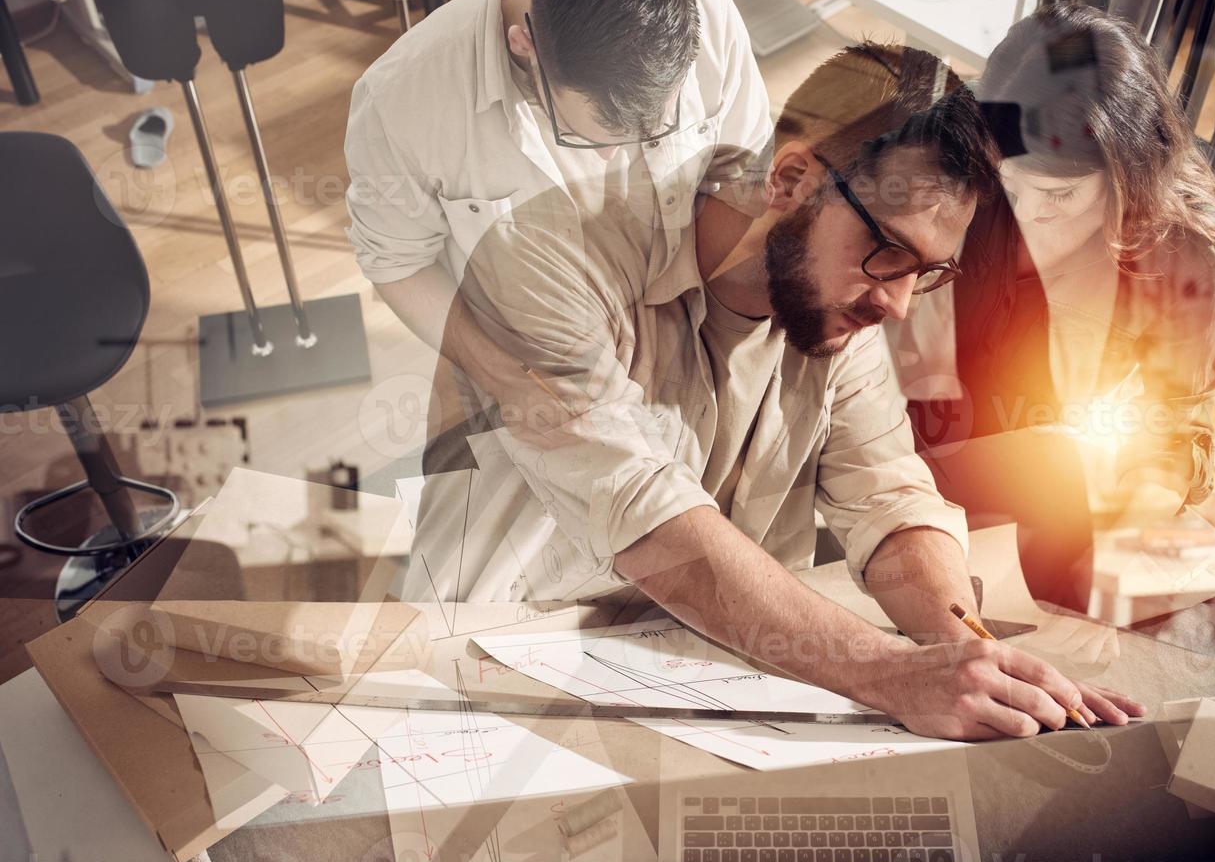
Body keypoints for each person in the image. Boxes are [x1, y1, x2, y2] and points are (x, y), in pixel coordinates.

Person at [406, 42, 1146, 741]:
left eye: (927, 272)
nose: (897, 306)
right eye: (889, 254)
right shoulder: (541, 256)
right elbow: (642, 510)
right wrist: (890, 671)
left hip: (705, 672)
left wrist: (963, 649)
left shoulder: (830, 304)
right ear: (790, 180)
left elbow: (886, 496)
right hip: (485, 673)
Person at [898, 2, 1215, 607]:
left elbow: (1177, 422)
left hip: (1067, 492)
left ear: (1129, 176)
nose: (1030, 210)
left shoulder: (1184, 251)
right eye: (1012, 182)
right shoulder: (959, 162)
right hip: (915, 458)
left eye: (1060, 192)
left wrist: (1135, 520)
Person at [343, 0, 770, 354]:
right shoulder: (401, 99)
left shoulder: (707, 9)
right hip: (530, 356)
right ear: (524, 45)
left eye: (652, 131)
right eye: (581, 136)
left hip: (694, 323)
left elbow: (745, 173)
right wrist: (510, 379)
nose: (610, 157)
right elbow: (398, 263)